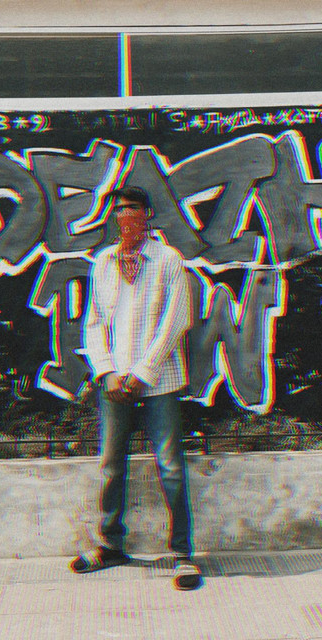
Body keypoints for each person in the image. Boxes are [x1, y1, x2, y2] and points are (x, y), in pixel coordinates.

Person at [70, 186, 201, 590]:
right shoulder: (104, 262)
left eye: (132, 209)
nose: (125, 216)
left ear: (147, 214)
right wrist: (107, 371)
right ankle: (111, 545)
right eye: (118, 210)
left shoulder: (167, 260)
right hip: (115, 382)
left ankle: (182, 554)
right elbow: (94, 321)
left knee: (170, 466)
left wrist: (143, 371)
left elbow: (176, 320)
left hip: (158, 380)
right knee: (111, 465)